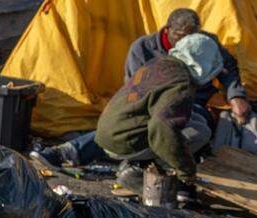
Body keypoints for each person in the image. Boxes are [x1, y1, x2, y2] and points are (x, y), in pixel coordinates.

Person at [36, 8, 248, 167]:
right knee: (137, 126)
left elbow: (227, 65)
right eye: (181, 37)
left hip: (192, 102)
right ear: (167, 31)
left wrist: (235, 95)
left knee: (196, 125)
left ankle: (157, 163)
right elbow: (136, 90)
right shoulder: (143, 48)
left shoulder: (203, 44)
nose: (187, 42)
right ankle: (70, 151)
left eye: (192, 36)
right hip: (149, 104)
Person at [94, 33, 225, 203]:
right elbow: (163, 127)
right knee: (200, 132)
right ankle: (140, 172)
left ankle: (144, 164)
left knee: (197, 121)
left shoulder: (162, 63)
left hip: (112, 130)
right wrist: (186, 172)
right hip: (122, 141)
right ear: (203, 63)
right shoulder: (180, 82)